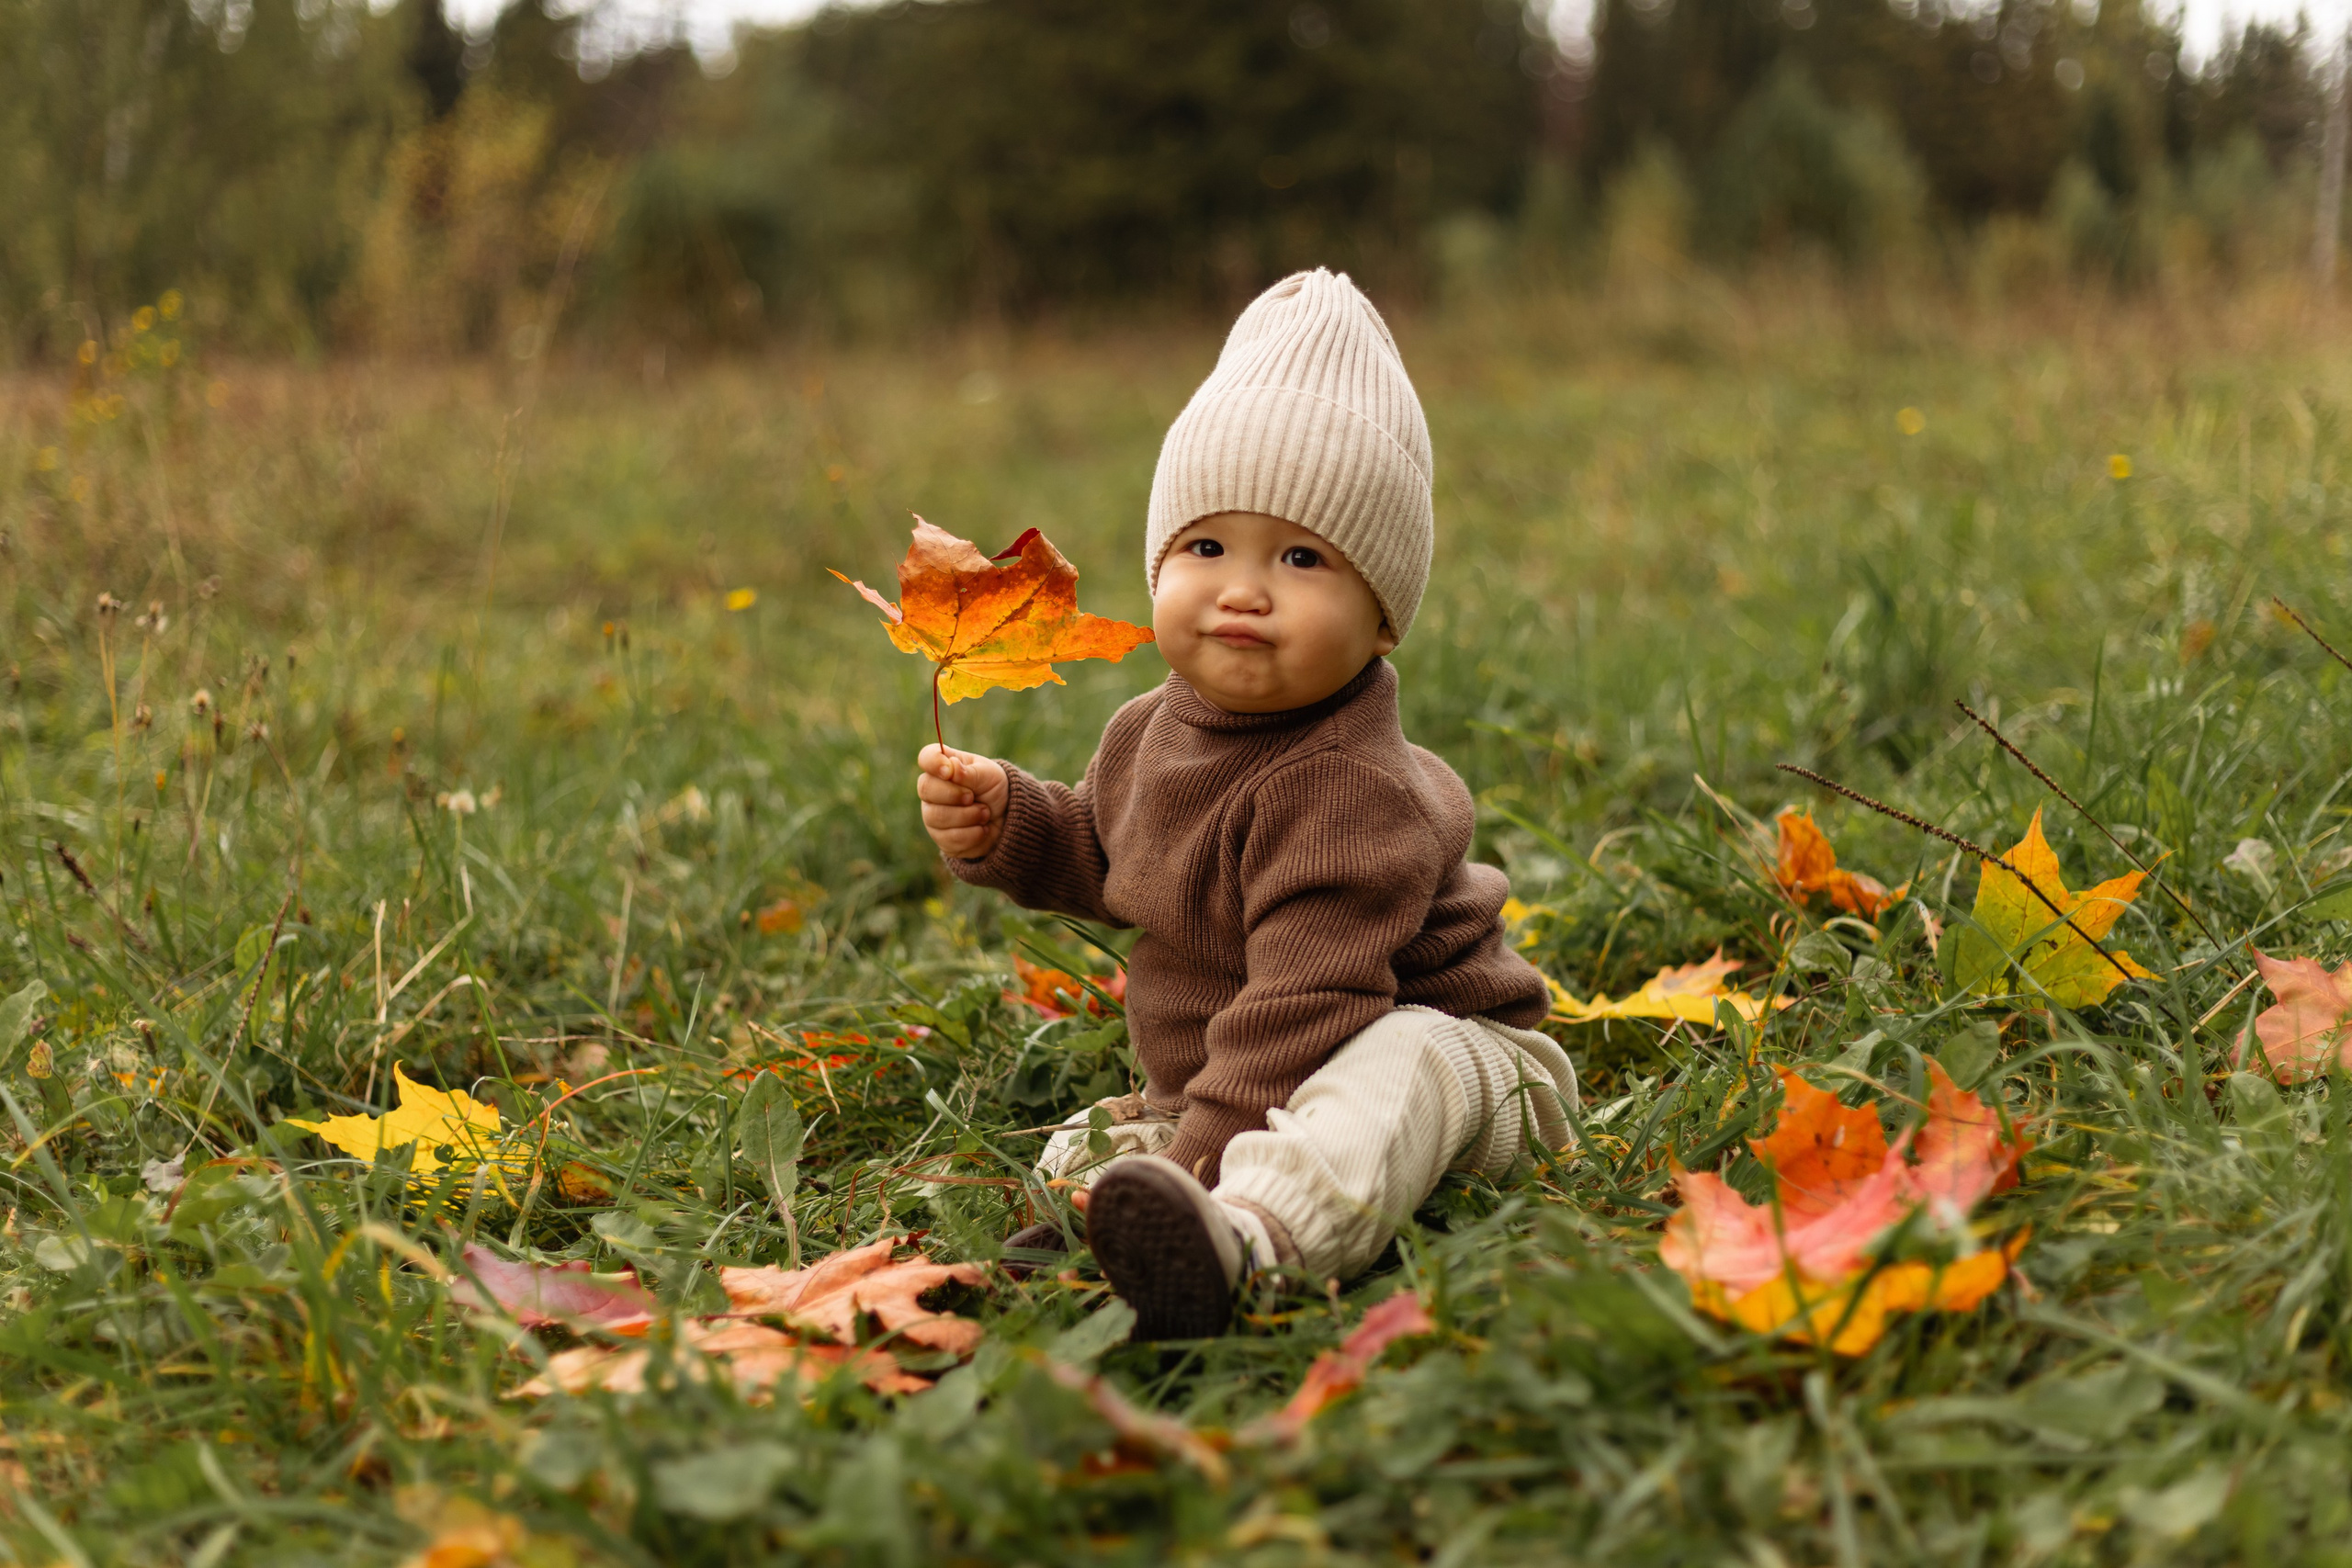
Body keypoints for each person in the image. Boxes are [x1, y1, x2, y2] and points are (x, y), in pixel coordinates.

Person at [912, 268, 1577, 1339]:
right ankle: (1130, 1221)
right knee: (1084, 1145)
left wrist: (1199, 1153)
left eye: (1303, 558)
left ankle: (1253, 1240)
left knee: (1390, 1070)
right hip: (1244, 1076)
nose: (1244, 589)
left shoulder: (1346, 791)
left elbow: (1304, 1008)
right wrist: (1013, 825)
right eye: (1206, 547)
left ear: (1383, 619)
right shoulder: (1148, 728)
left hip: (1451, 1063)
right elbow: (1106, 854)